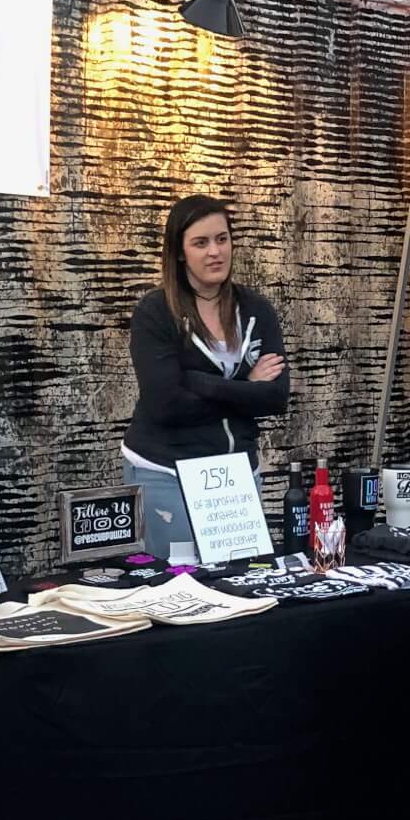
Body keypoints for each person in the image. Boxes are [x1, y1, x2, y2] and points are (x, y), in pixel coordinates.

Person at [122, 195, 289, 555]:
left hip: (236, 476)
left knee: (243, 578)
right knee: (176, 582)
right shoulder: (155, 312)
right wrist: (246, 388)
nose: (215, 252)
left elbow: (275, 398)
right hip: (166, 471)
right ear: (180, 252)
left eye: (222, 239)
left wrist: (200, 382)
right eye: (200, 243)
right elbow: (166, 405)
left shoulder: (256, 309)